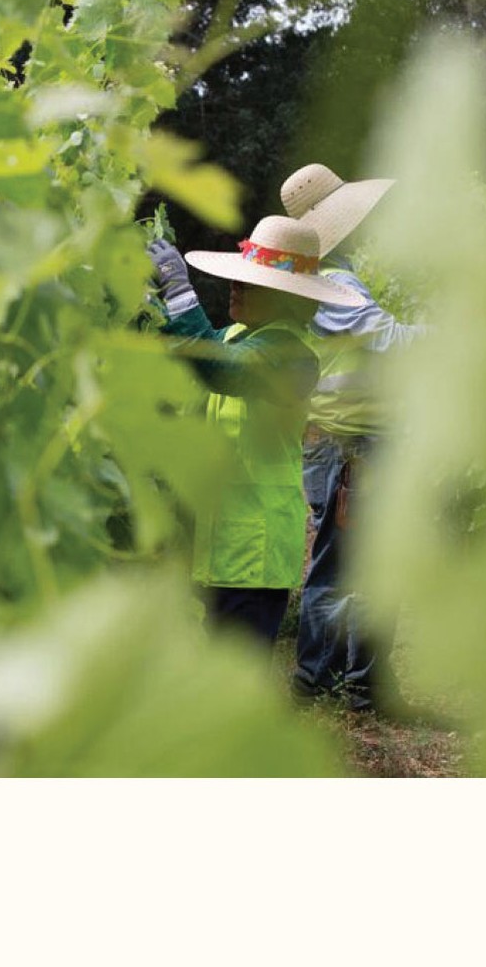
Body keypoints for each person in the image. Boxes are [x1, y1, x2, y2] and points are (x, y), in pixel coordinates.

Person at [148, 215, 365, 648]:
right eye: (238, 278)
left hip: (252, 553)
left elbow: (218, 369)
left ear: (285, 300)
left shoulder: (291, 356)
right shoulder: (233, 336)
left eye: (250, 283)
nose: (235, 286)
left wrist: (180, 293)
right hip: (214, 543)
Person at [278, 163, 427, 712]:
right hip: (353, 447)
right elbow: (390, 340)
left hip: (337, 442)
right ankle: (338, 682)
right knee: (348, 567)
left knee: (340, 563)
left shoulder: (311, 278)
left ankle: (335, 679)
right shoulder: (334, 285)